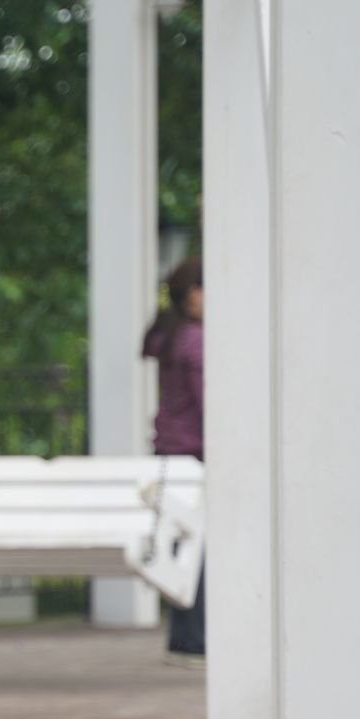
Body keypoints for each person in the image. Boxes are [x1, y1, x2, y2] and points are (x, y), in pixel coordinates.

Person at [144, 258, 205, 666]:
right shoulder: (196, 340)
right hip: (193, 451)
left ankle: (183, 637)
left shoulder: (170, 335)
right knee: (200, 545)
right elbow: (208, 404)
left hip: (169, 451)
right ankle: (193, 638)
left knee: (185, 542)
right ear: (191, 295)